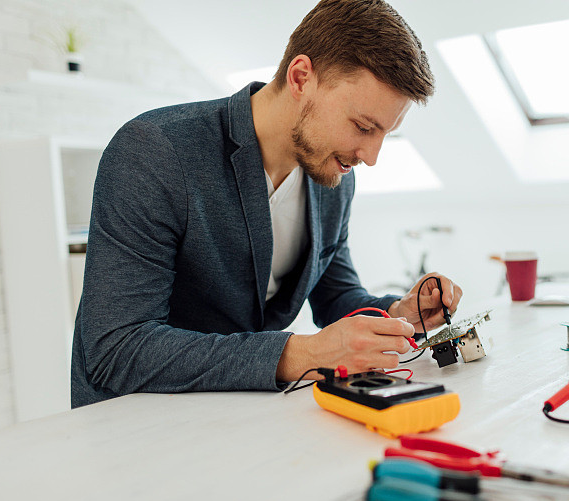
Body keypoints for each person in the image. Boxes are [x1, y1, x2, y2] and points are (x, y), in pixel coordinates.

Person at [71, 0, 463, 408]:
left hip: (240, 415)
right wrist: (300, 354)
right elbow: (116, 349)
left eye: (385, 134)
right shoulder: (155, 151)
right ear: (300, 77)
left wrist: (399, 313)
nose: (371, 156)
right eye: (363, 127)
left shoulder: (333, 176)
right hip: (134, 424)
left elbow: (335, 297)